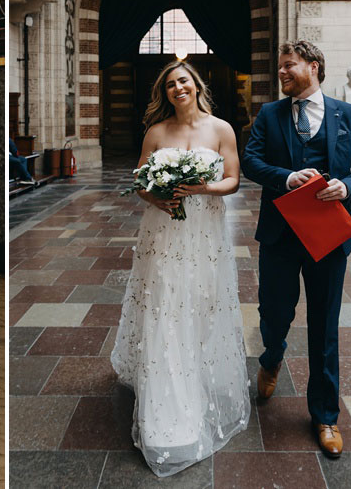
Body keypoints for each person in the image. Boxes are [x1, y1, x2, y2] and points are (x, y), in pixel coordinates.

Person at [111, 60, 249, 477]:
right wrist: (159, 199)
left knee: (202, 301)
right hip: (162, 231)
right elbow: (139, 180)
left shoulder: (220, 128)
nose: (177, 88)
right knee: (165, 304)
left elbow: (233, 179)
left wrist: (201, 188)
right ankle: (165, 397)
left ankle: (201, 372)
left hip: (204, 232)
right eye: (170, 84)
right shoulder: (156, 132)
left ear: (196, 84)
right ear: (164, 92)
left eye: (183, 81)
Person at [241, 41, 351, 459]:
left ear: (312, 67)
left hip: (328, 237)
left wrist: (347, 186)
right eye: (280, 66)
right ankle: (272, 356)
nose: (281, 72)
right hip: (280, 237)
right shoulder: (269, 114)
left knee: (324, 327)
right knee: (274, 313)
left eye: (288, 66)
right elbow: (250, 161)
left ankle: (325, 416)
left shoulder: (347, 114)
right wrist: (286, 177)